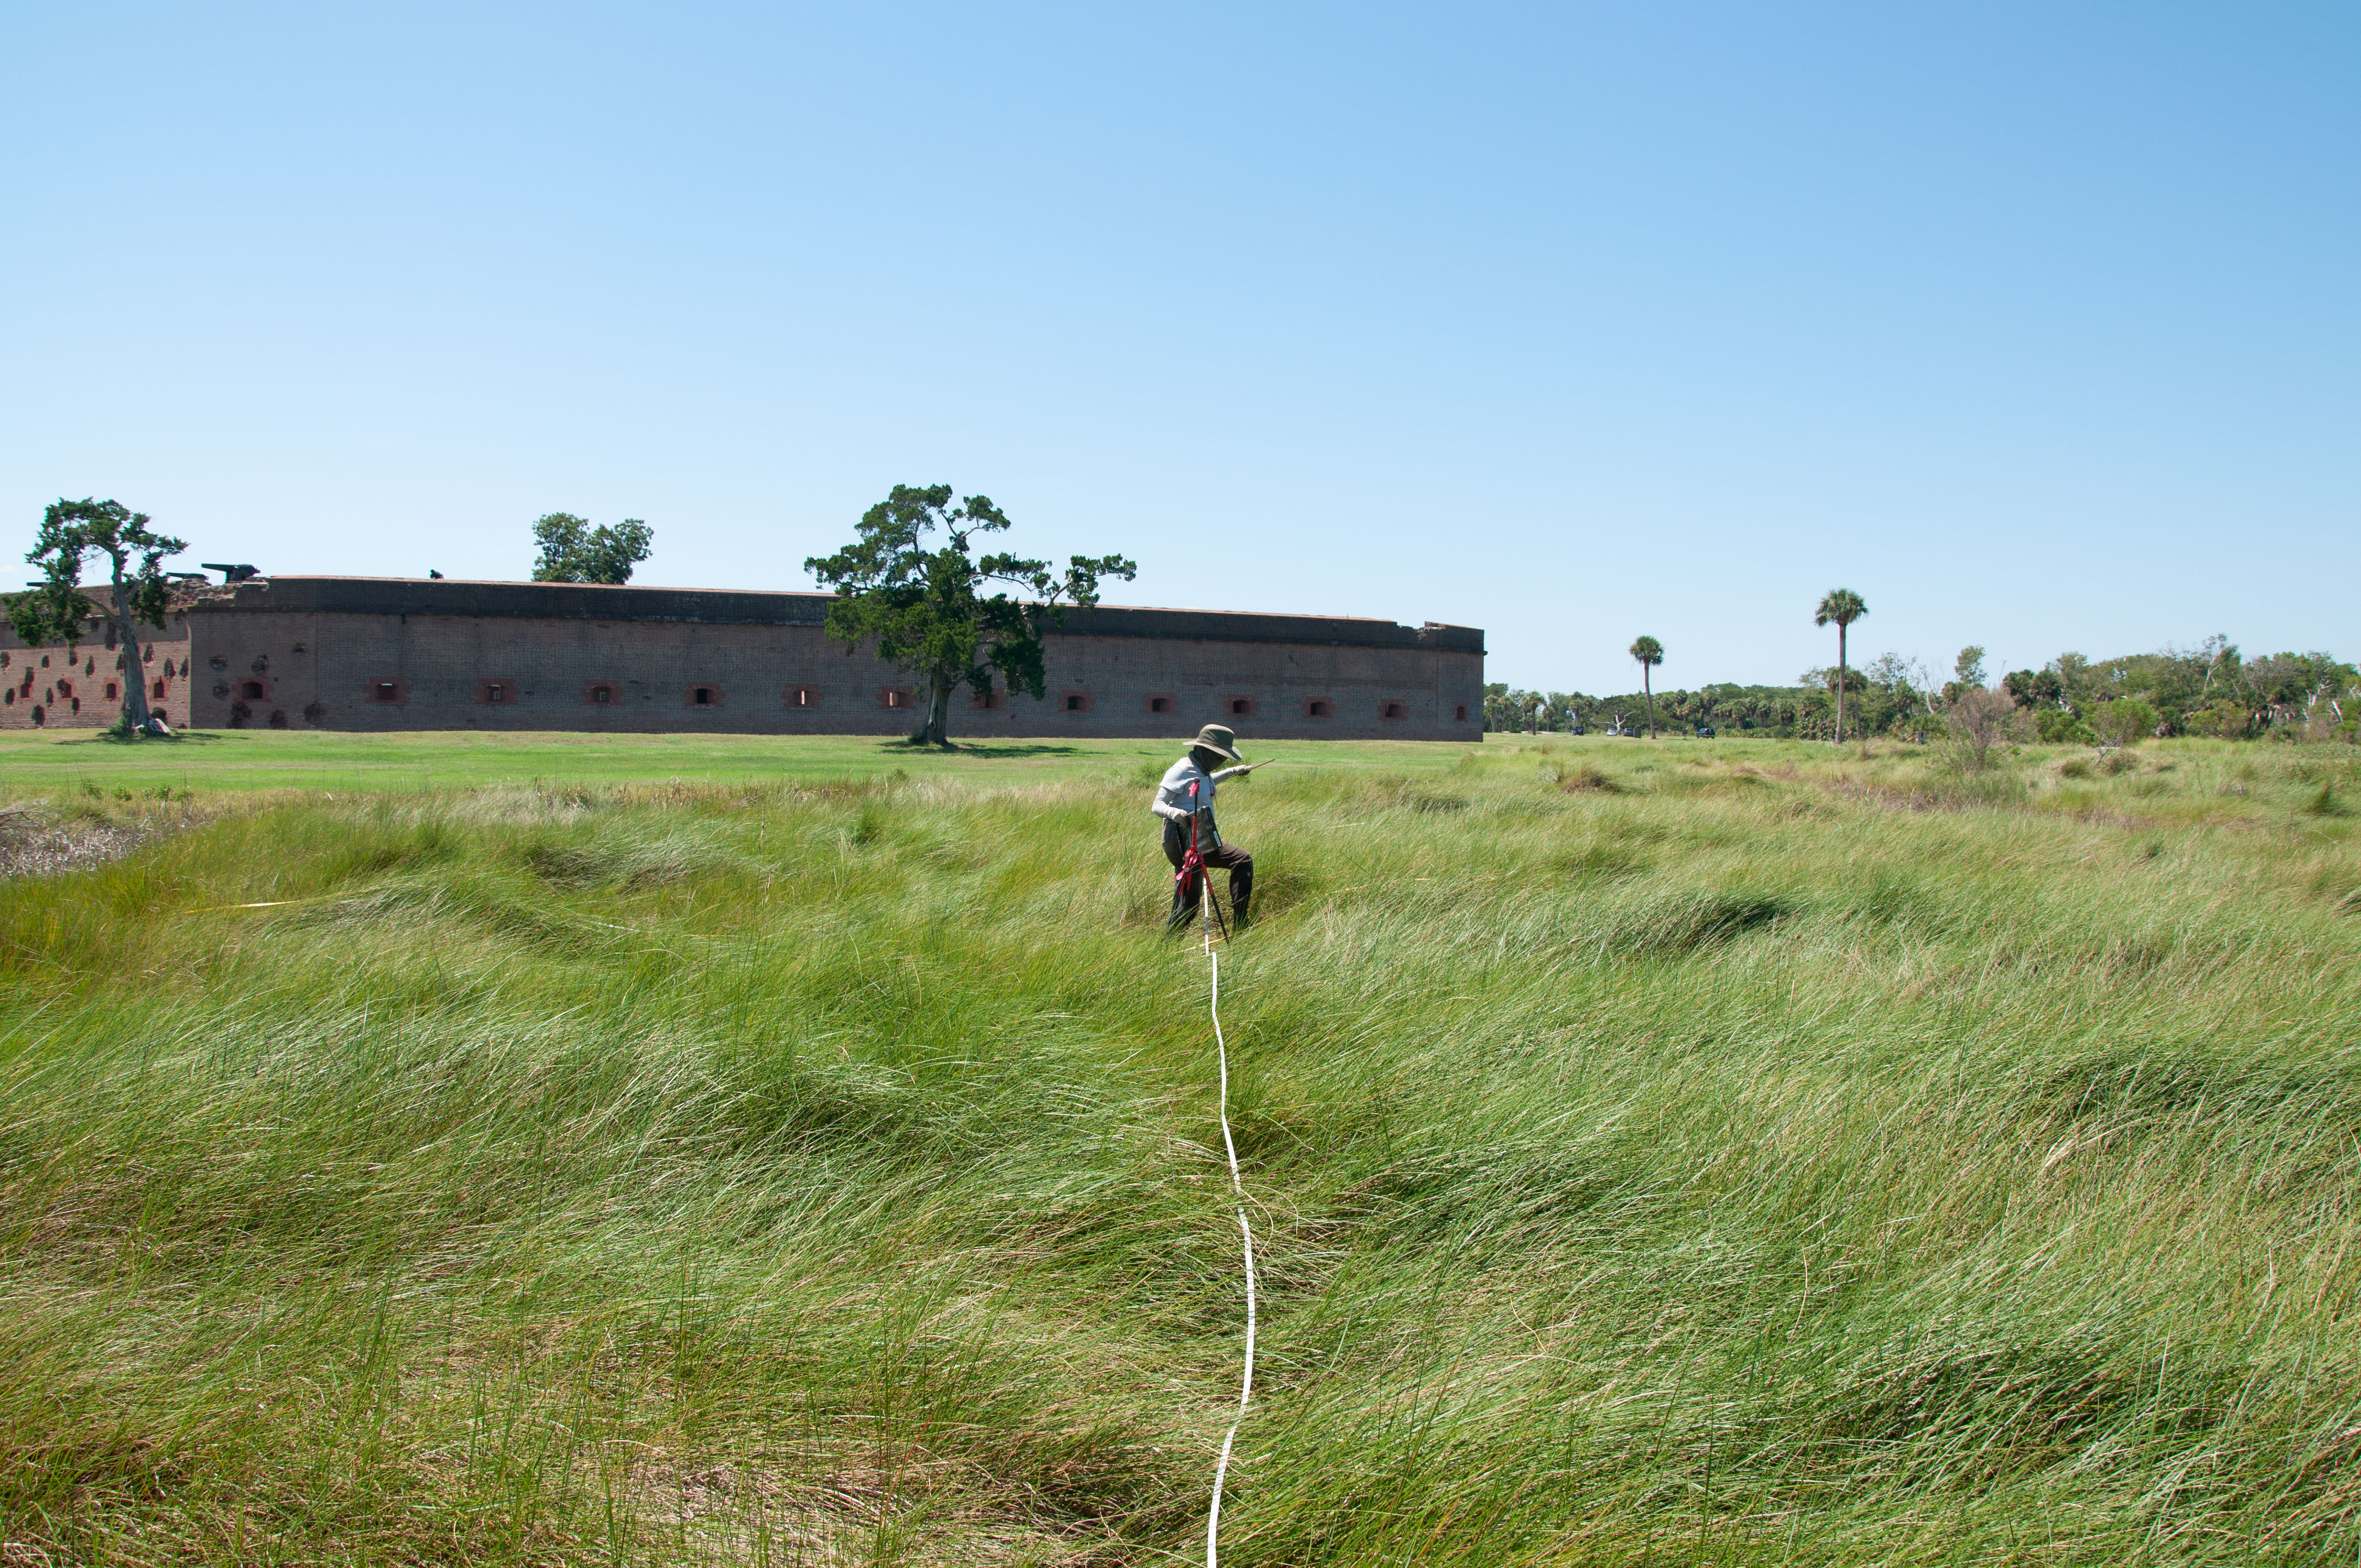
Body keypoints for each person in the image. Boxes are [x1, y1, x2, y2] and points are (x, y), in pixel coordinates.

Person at [1151, 723, 1260, 931]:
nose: (1220, 762)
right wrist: (1175, 814)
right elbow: (1157, 805)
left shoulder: (1202, 768)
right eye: (1219, 757)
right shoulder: (1182, 769)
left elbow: (1205, 782)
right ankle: (1169, 944)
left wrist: (1233, 772)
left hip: (1201, 836)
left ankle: (1240, 923)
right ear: (1205, 751)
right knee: (1189, 903)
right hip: (1182, 837)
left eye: (1224, 759)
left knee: (1191, 899)